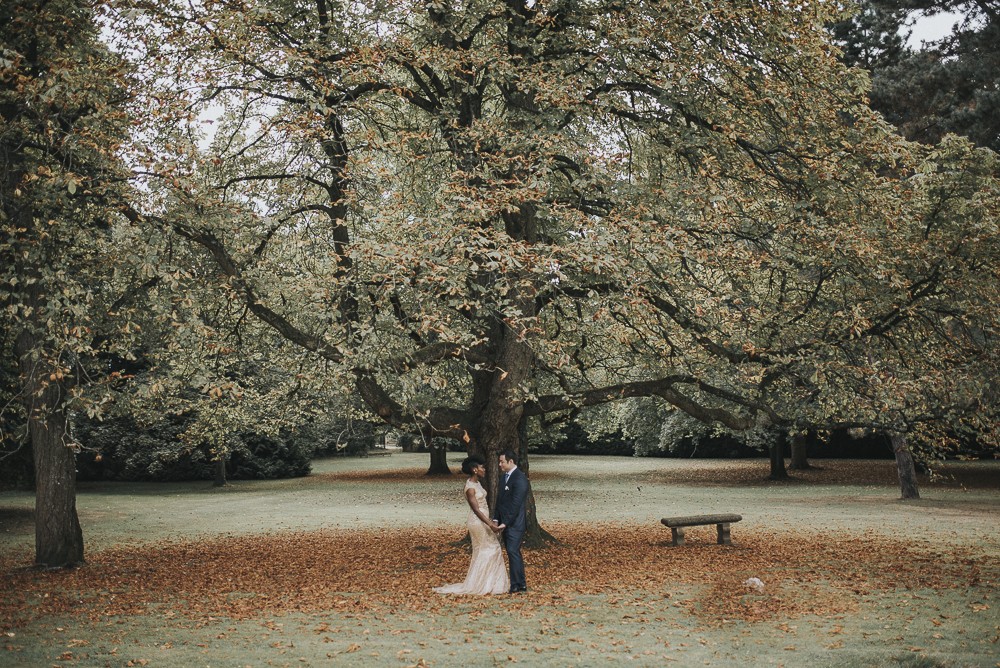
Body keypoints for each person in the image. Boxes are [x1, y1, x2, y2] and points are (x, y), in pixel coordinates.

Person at [433, 456, 509, 595]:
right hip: (478, 522)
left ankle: (491, 582)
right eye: (482, 467)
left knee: (488, 549)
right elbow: (476, 509)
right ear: (475, 469)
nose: (484, 469)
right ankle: (482, 584)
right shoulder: (470, 488)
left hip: (484, 520)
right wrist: (490, 524)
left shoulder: (477, 483)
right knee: (489, 549)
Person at [492, 449, 530, 593]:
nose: (500, 464)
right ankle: (519, 583)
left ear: (511, 461)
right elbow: (499, 500)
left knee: (513, 551)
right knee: (512, 552)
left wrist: (505, 523)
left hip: (515, 524)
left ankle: (518, 584)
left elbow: (515, 504)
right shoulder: (504, 477)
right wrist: (496, 518)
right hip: (505, 522)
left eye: (502, 462)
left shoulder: (520, 479)